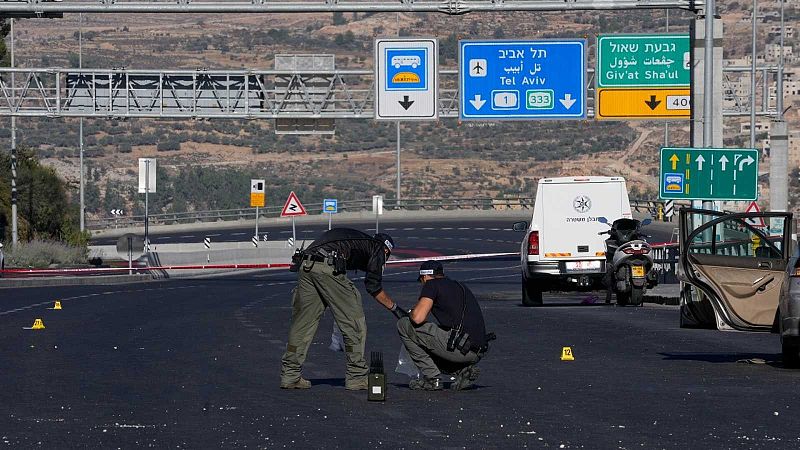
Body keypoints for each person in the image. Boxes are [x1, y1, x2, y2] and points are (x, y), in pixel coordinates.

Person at [280, 228, 403, 390]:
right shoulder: (378, 248)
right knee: (354, 322)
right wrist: (395, 308)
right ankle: (357, 376)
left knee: (303, 324)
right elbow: (373, 286)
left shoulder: (359, 240)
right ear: (387, 250)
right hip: (327, 267)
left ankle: (290, 375)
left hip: (306, 264)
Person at [396, 261, 492, 391]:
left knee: (405, 325)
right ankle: (462, 371)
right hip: (477, 350)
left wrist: (410, 312)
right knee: (435, 336)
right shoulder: (460, 286)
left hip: (461, 348)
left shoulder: (431, 284)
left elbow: (418, 318)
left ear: (424, 277)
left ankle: (432, 378)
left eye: (421, 281)